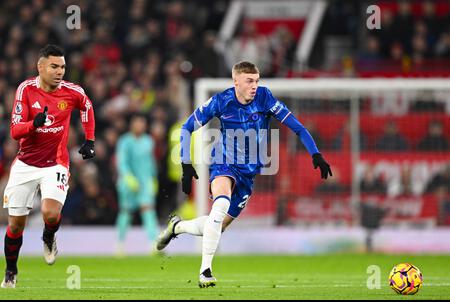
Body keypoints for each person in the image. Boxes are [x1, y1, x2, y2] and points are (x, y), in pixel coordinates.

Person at [156, 61, 332, 288]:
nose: (254, 86)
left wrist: (315, 154)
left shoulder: (265, 98)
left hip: (248, 175)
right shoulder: (222, 101)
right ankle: (205, 271)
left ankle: (176, 227)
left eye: (257, 81)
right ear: (236, 81)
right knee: (219, 205)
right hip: (224, 163)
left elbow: (298, 127)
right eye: (249, 81)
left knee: (217, 224)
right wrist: (186, 164)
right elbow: (187, 127)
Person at [1, 44, 96, 288]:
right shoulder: (25, 90)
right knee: (15, 225)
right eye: (54, 66)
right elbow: (14, 131)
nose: (60, 71)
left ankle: (49, 236)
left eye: (63, 67)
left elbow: (86, 106)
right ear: (40, 67)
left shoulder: (72, 91)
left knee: (51, 213)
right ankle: (11, 271)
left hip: (55, 163)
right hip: (25, 164)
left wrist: (89, 139)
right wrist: (34, 124)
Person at [115, 113, 159, 255]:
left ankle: (153, 244)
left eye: (142, 123)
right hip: (128, 182)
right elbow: (121, 162)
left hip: (145, 182)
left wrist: (153, 178)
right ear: (131, 125)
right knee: (126, 212)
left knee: (148, 210)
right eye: (137, 123)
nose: (140, 125)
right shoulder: (125, 141)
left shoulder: (148, 141)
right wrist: (128, 177)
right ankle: (120, 244)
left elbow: (150, 162)